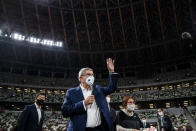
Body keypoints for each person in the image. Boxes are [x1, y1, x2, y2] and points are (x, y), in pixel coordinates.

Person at [61, 58, 118, 131]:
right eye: (88, 74)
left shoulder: (98, 89)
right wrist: (83, 103)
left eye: (92, 75)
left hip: (98, 129)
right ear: (80, 78)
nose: (91, 77)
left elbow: (112, 88)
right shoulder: (71, 92)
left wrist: (111, 72)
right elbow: (65, 111)